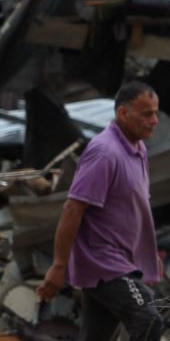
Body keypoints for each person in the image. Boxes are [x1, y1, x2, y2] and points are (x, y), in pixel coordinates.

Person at [36, 81, 163, 341]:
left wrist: (148, 252)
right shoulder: (105, 152)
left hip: (121, 260)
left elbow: (134, 207)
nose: (154, 120)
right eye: (146, 114)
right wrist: (59, 266)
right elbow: (73, 209)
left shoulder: (138, 149)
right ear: (123, 114)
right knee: (149, 318)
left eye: (155, 113)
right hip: (103, 261)